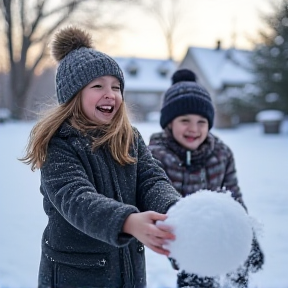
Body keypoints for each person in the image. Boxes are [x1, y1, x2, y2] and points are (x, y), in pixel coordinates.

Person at [20, 26, 181, 288]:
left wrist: (174, 210)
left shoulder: (129, 137)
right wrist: (127, 221)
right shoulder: (58, 143)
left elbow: (151, 181)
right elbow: (76, 198)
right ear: (74, 95)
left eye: (116, 87)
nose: (111, 94)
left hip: (128, 274)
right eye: (98, 86)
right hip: (75, 276)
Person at [148, 69, 264, 288]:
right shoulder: (154, 155)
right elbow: (149, 199)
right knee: (197, 279)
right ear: (169, 123)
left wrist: (248, 235)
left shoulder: (221, 153)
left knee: (237, 274)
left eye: (202, 121)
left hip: (219, 231)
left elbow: (234, 196)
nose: (194, 128)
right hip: (184, 239)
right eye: (185, 120)